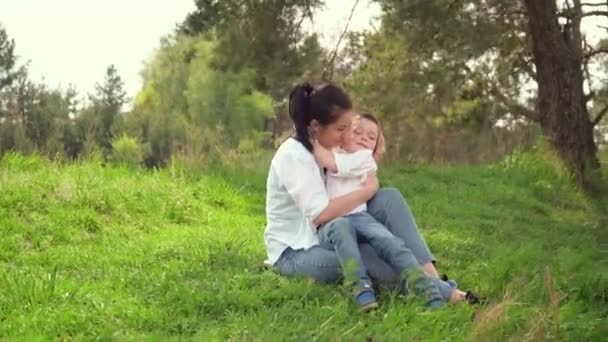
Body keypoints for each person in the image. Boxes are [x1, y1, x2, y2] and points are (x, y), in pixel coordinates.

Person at [263, 82, 476, 311]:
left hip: (335, 227)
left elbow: (350, 169)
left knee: (389, 198)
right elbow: (320, 214)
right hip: (297, 251)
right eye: (340, 129)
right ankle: (450, 295)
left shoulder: (324, 144)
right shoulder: (294, 156)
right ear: (315, 126)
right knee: (368, 255)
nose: (346, 135)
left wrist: (369, 156)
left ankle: (431, 275)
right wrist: (367, 191)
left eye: (348, 128)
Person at [312, 112, 480, 309]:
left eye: (371, 137)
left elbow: (332, 165)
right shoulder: (335, 150)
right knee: (365, 247)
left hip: (359, 216)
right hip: (335, 222)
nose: (364, 138)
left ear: (376, 145)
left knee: (391, 244)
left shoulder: (364, 159)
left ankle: (429, 292)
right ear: (345, 132)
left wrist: (309, 139)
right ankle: (364, 290)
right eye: (357, 132)